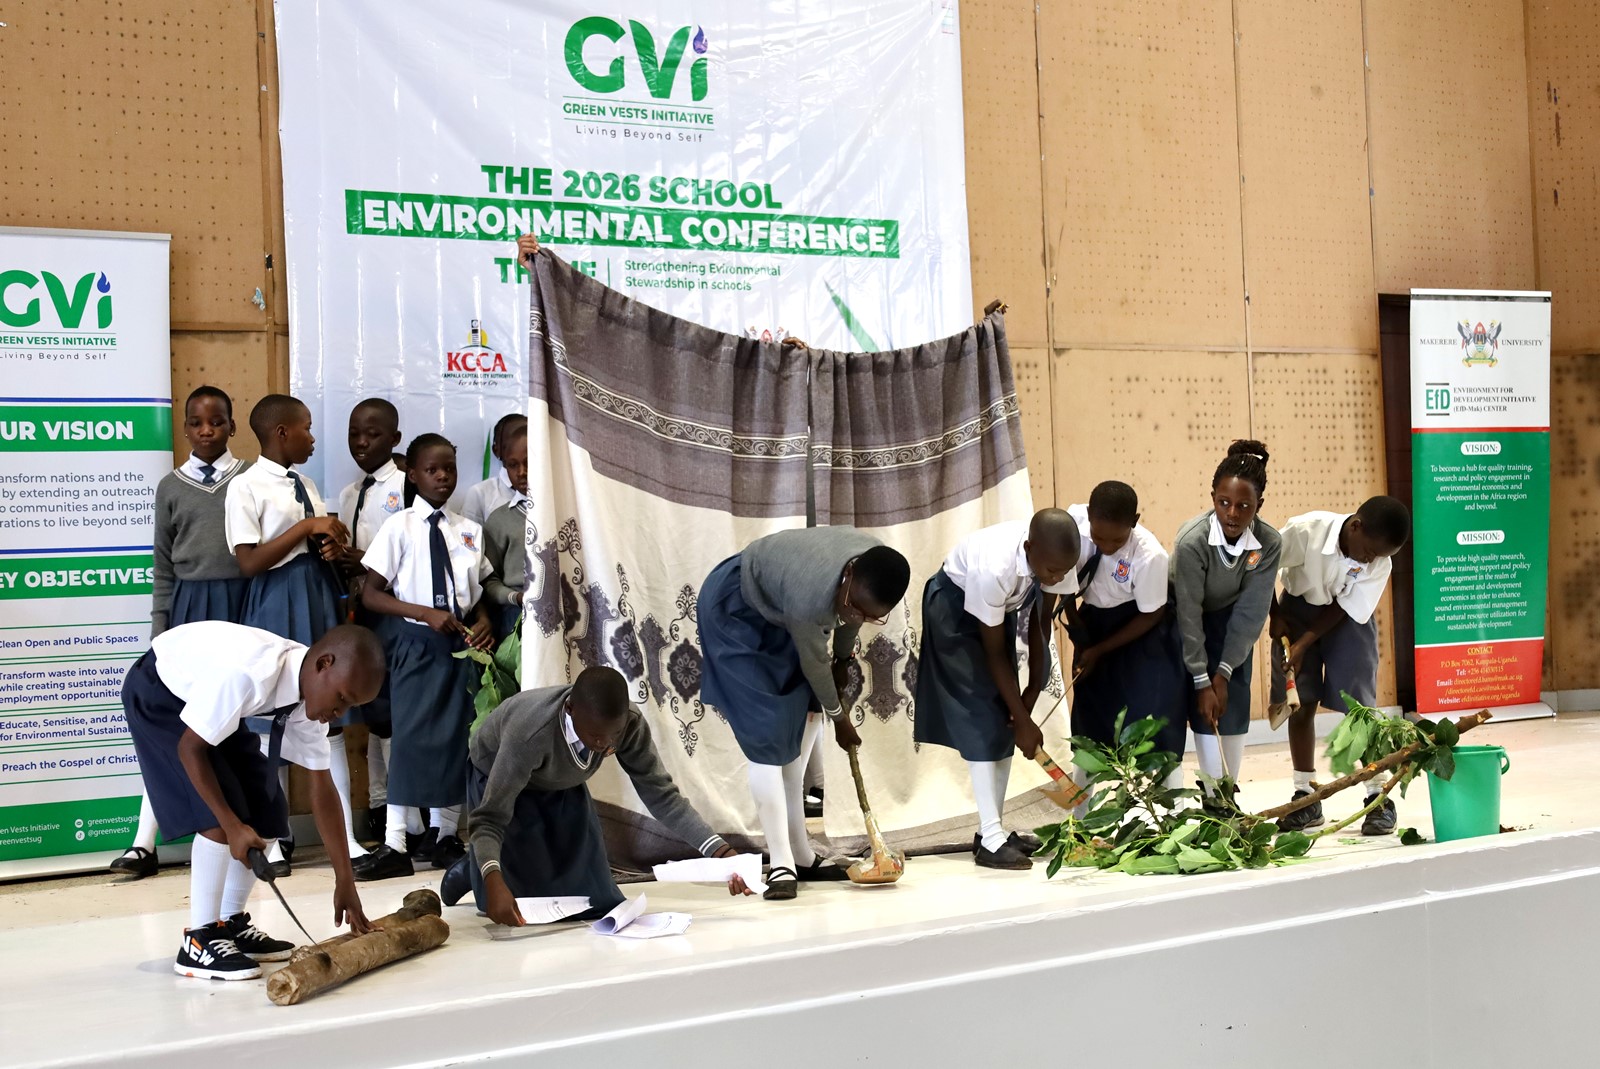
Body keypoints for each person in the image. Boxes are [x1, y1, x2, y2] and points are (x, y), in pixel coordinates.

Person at [121, 621, 381, 980]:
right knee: (216, 816)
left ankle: (229, 923)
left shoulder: (309, 703)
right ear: (324, 664)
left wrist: (344, 880)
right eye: (341, 699)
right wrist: (231, 826)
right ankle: (198, 939)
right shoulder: (249, 675)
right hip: (159, 693)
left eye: (349, 706)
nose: (339, 714)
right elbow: (190, 749)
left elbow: (323, 793)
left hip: (206, 697)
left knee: (268, 810)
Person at [698, 528, 911, 900]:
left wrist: (844, 660)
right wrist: (840, 718)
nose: (859, 616)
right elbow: (815, 664)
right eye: (856, 606)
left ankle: (801, 852)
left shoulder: (872, 567)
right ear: (848, 575)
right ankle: (781, 861)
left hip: (779, 611)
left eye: (872, 616)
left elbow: (850, 618)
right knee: (768, 734)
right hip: (737, 610)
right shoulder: (810, 596)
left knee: (796, 728)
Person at [441, 666, 751, 923]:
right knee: (511, 900)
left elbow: (661, 794)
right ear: (570, 709)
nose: (606, 745)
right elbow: (491, 817)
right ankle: (474, 868)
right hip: (497, 772)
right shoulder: (530, 732)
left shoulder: (626, 724)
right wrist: (493, 881)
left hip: (560, 779)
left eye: (613, 734)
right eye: (595, 736)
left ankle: (485, 864)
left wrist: (720, 853)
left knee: (595, 899)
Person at [115, 386, 253, 880]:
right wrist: (160, 632)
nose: (206, 430)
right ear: (185, 429)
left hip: (242, 608)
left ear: (232, 427)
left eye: (216, 422)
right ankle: (143, 842)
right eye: (196, 423)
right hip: (191, 612)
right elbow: (162, 569)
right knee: (178, 727)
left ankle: (259, 833)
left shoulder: (251, 480)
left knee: (238, 728)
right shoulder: (170, 488)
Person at [356, 433, 495, 880]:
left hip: (459, 646)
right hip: (416, 642)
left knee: (455, 739)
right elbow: (370, 595)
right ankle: (396, 841)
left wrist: (485, 618)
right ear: (412, 476)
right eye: (432, 470)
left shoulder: (469, 531)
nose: (442, 477)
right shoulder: (398, 528)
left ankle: (445, 835)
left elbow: (478, 592)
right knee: (412, 738)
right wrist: (423, 613)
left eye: (449, 468)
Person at [225, 394, 352, 876]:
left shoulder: (307, 483)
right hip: (276, 599)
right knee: (271, 717)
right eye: (306, 428)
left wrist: (329, 543)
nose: (313, 437)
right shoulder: (247, 487)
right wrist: (305, 527)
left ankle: (345, 840)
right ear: (281, 433)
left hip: (316, 596)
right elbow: (249, 562)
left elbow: (314, 539)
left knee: (325, 710)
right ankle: (275, 837)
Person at [914, 510, 1079, 870]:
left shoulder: (1057, 560)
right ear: (1029, 548)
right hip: (953, 609)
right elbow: (992, 653)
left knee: (1005, 716)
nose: (1056, 577)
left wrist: (1030, 695)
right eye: (1051, 571)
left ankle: (993, 832)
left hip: (994, 615)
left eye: (1063, 572)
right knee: (980, 714)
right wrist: (1022, 719)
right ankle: (990, 839)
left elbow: (1040, 625)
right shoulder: (995, 568)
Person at [1270, 497, 1411, 834]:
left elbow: (1345, 607)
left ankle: (1379, 795)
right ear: (1355, 526)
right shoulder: (1306, 530)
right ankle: (1305, 796)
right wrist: (1275, 616)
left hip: (1346, 619)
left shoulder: (1380, 561)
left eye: (1379, 557)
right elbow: (1260, 567)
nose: (1370, 560)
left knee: (1359, 709)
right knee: (1299, 702)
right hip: (1295, 610)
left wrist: (1305, 643)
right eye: (1369, 552)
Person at [1170, 440, 1282, 802]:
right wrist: (1203, 678)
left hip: (1232, 623)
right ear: (1213, 497)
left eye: (1244, 506)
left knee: (1230, 700)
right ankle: (1208, 788)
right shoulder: (1192, 541)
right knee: (1198, 704)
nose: (1232, 513)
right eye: (1224, 503)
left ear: (1259, 506)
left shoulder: (1268, 543)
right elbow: (1188, 611)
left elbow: (1251, 612)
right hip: (1182, 622)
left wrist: (1224, 674)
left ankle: (1224, 792)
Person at [1061, 481, 1188, 767]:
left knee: (1151, 717)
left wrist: (1099, 650)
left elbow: (1151, 614)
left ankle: (1165, 799)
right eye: (1098, 538)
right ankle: (1084, 807)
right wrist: (1079, 633)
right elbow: (1065, 579)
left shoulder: (1150, 555)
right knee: (1091, 715)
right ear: (1089, 514)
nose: (1105, 548)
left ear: (1134, 522)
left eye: (1116, 542)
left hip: (1141, 628)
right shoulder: (1073, 524)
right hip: (1093, 619)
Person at [336, 398, 407, 846]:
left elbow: (416, 553)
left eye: (373, 434)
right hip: (361, 617)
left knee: (398, 717)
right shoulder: (348, 494)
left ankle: (409, 813)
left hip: (399, 613)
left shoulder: (409, 485)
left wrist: (363, 561)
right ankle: (381, 806)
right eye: (354, 434)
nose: (362, 443)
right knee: (372, 713)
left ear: (396, 439)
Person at [481, 419, 531, 639]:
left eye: (530, 463)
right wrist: (516, 598)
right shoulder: (500, 519)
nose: (521, 472)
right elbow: (488, 581)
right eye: (512, 465)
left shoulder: (568, 510)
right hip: (516, 616)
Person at [460, 413, 527, 525]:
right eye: (512, 442)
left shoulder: (552, 491)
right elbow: (468, 538)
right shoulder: (480, 494)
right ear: (496, 450)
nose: (520, 445)